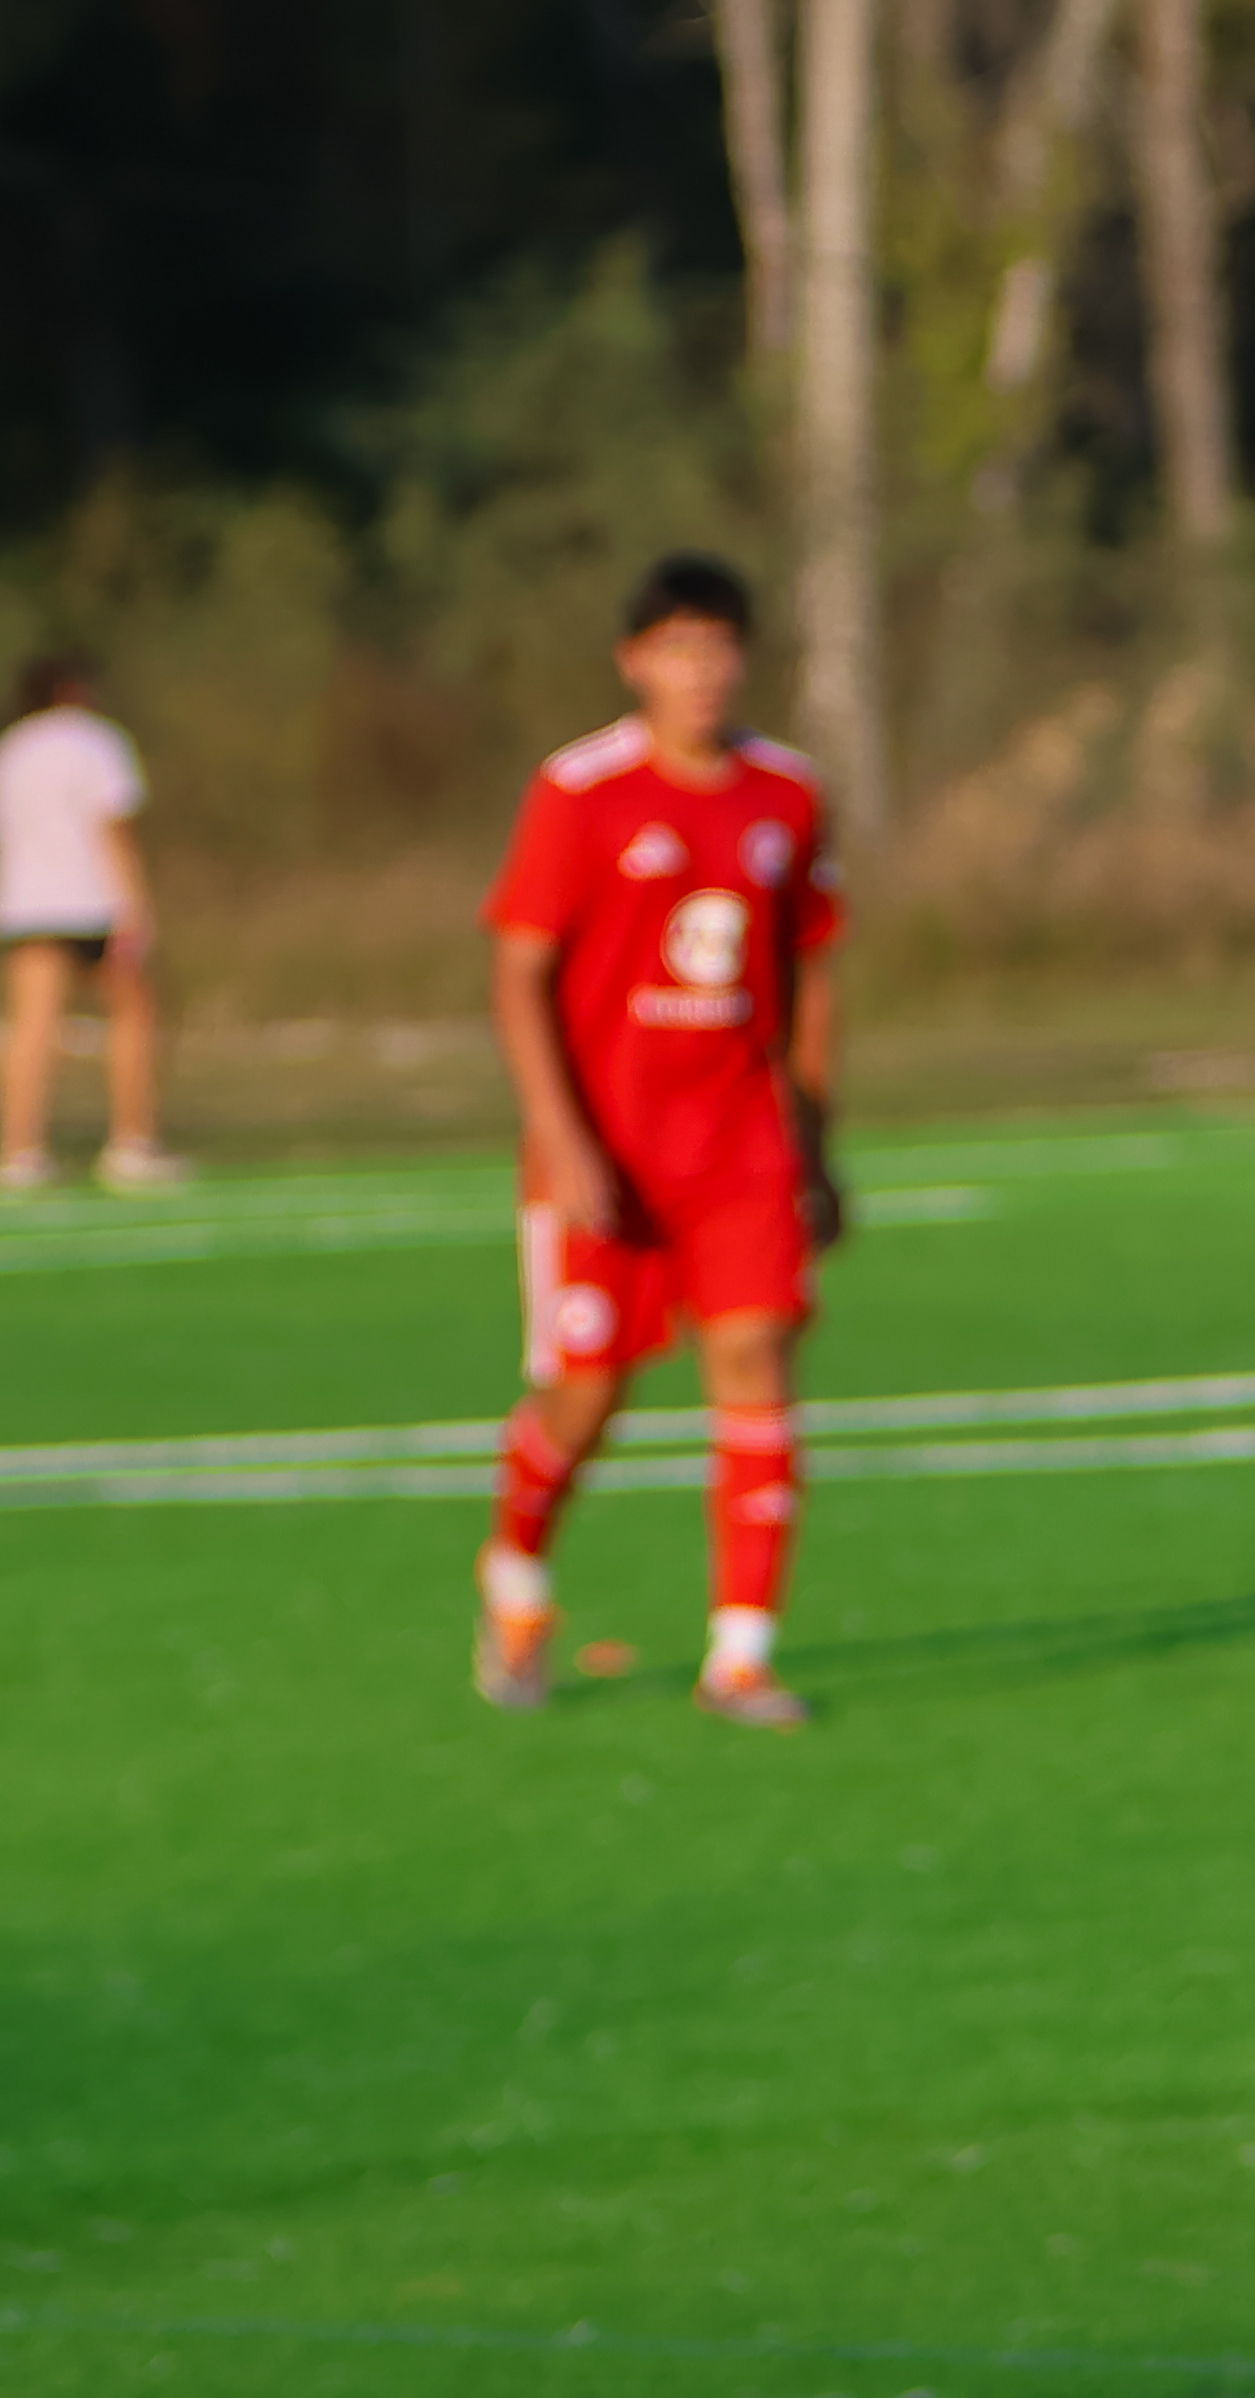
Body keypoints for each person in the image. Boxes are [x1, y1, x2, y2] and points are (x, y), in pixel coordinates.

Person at [474, 553, 848, 1731]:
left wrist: (820, 1143)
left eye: (720, 647)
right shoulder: (581, 791)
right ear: (636, 661)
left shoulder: (787, 797)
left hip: (738, 1149)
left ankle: (740, 1656)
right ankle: (518, 1576)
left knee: (755, 1362)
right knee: (585, 1400)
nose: (701, 672)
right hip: (607, 1153)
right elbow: (520, 973)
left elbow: (810, 977)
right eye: (677, 648)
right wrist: (560, 1133)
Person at [0, 653, 188, 1195]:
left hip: (22, 904)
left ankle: (18, 1153)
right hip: (91, 902)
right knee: (133, 1013)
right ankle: (131, 1143)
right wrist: (135, 906)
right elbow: (112, 826)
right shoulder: (95, 741)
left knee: (31, 1025)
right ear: (73, 690)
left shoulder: (8, 751)